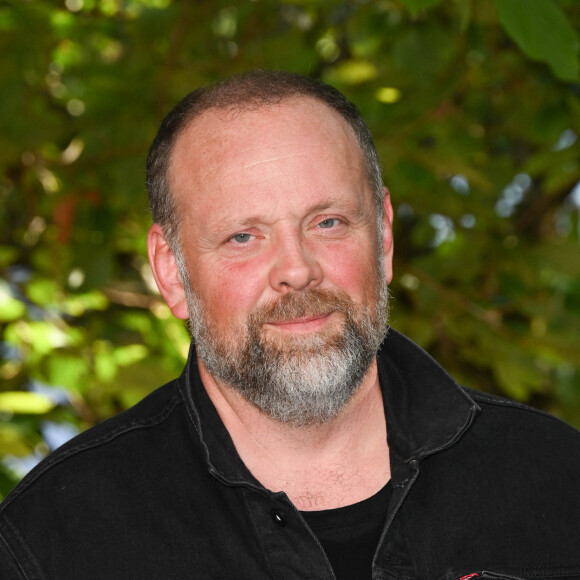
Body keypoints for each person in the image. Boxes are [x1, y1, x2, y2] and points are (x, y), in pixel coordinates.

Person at [1, 70, 579, 580]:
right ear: (172, 273)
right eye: (243, 237)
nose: (297, 271)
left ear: (382, 237)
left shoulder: (554, 478)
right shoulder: (54, 539)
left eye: (327, 222)